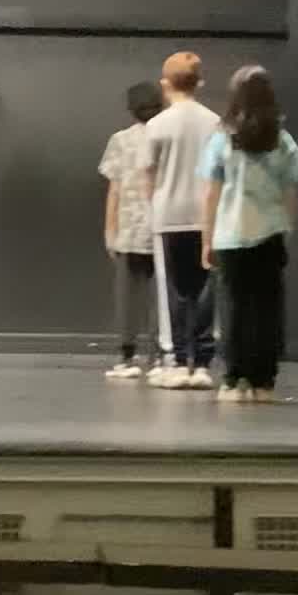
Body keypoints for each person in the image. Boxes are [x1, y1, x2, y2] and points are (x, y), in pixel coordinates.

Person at [200, 67, 298, 403]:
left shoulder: (221, 139)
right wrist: (287, 228)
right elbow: (292, 192)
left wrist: (206, 238)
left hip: (230, 234)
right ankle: (264, 381)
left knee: (233, 308)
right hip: (270, 234)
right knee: (266, 309)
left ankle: (234, 379)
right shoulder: (283, 140)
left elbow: (211, 194)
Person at [144, 51, 221, 390]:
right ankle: (202, 363)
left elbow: (149, 173)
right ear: (199, 83)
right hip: (206, 217)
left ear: (165, 84)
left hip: (169, 216)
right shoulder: (214, 122)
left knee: (173, 292)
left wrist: (154, 204)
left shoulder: (157, 125)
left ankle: (176, 360)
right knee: (204, 291)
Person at [100, 81, 166, 379]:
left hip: (128, 228)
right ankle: (159, 355)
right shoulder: (167, 138)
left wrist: (110, 231)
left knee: (127, 296)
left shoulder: (120, 140)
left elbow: (114, 190)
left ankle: (125, 357)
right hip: (162, 226)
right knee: (161, 296)